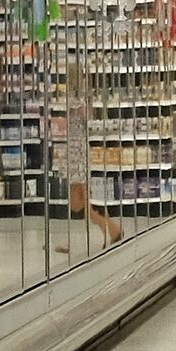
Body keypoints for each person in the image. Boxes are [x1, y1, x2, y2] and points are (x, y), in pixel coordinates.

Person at [58, 61, 123, 248]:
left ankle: (112, 229)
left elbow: (83, 117)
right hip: (76, 151)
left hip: (76, 153)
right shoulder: (81, 97)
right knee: (77, 203)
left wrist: (62, 119)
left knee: (81, 203)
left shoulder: (76, 98)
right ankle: (109, 230)